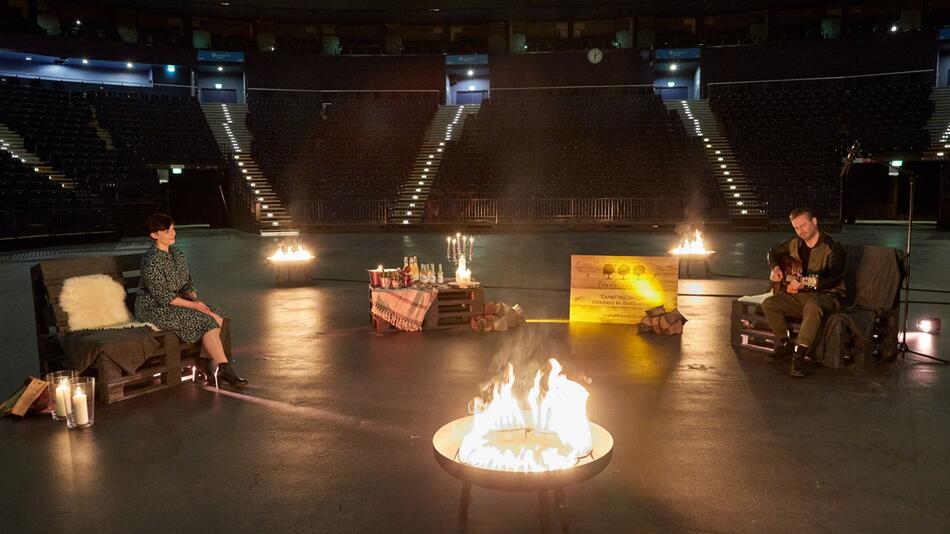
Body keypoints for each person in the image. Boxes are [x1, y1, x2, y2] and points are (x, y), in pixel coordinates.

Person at [134, 213, 247, 388]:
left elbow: (187, 282)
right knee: (207, 320)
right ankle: (223, 369)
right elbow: (163, 295)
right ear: (154, 235)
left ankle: (204, 363)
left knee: (218, 315)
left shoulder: (177, 253)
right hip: (155, 307)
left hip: (178, 302)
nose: (173, 233)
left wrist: (195, 300)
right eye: (166, 230)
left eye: (172, 228)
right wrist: (194, 306)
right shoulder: (151, 259)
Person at [763, 208, 846, 378]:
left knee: (813, 306)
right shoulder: (795, 243)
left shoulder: (833, 248)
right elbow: (773, 252)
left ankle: (799, 354)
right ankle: (785, 343)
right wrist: (775, 268)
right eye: (796, 227)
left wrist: (802, 282)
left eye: (803, 225)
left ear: (814, 222)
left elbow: (833, 278)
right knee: (770, 303)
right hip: (803, 296)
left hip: (828, 295)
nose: (801, 231)